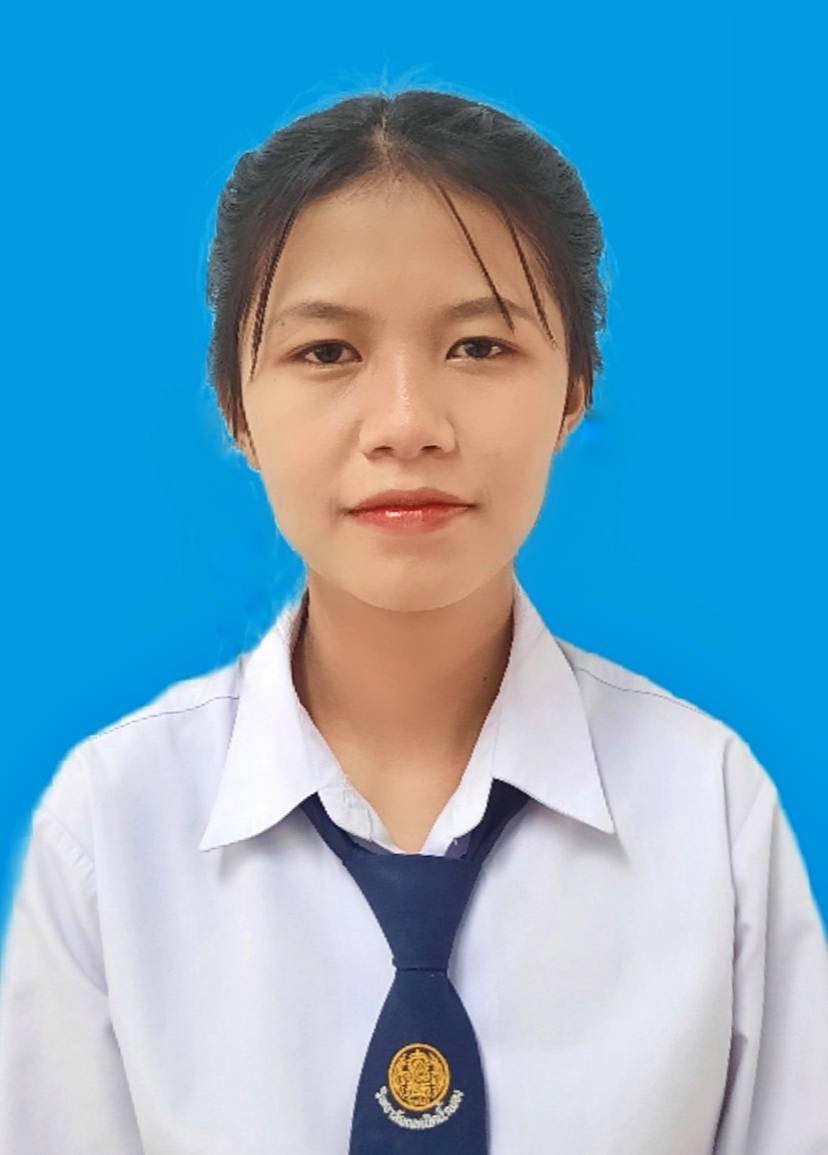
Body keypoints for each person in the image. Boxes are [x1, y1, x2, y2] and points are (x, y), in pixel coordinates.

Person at [1, 87, 826, 1155]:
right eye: (327, 352)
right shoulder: (113, 828)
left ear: (574, 388)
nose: (406, 426)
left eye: (478, 346)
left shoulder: (709, 809)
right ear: (237, 407)